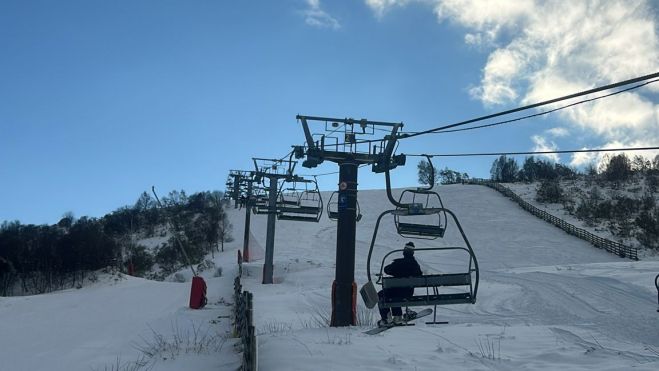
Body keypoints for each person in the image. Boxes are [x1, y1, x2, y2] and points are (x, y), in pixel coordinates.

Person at [377, 241, 422, 326]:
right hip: (408, 293)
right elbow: (419, 275)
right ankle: (397, 317)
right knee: (396, 295)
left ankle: (387, 318)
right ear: (413, 253)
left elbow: (387, 269)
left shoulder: (399, 263)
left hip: (396, 291)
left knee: (382, 295)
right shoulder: (415, 265)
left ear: (404, 252)